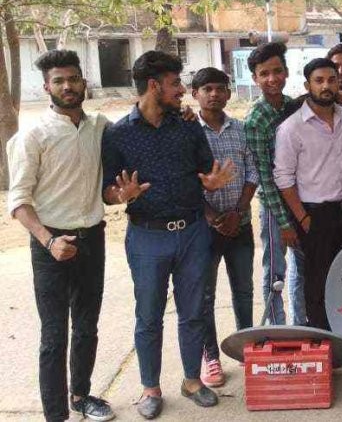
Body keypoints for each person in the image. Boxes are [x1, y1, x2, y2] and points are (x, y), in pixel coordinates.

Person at [101, 51, 234, 418]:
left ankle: (192, 381)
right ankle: (150, 389)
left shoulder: (188, 125)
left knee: (193, 312)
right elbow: (106, 191)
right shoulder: (118, 134)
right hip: (147, 237)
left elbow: (205, 171)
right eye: (175, 84)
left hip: (192, 233)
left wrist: (212, 182)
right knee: (148, 316)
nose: (182, 90)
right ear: (154, 85)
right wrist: (121, 195)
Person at [7, 50, 115, 422]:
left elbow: (138, 126)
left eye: (73, 79)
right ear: (47, 87)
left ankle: (81, 396)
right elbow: (19, 201)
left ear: (84, 82)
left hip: (92, 239)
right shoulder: (33, 135)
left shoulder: (100, 126)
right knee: (54, 336)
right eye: (59, 81)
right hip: (50, 244)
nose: (67, 86)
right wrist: (49, 241)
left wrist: (182, 113)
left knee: (86, 328)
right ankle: (55, 415)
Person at [274, 58, 342, 329]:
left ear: (339, 83)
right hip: (315, 215)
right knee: (318, 281)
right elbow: (283, 178)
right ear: (308, 86)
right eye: (319, 81)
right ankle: (322, 337)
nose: (326, 86)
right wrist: (303, 219)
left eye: (331, 80)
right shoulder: (291, 128)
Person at [191, 68, 258, 388]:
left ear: (229, 94)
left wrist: (237, 212)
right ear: (195, 94)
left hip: (239, 225)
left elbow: (252, 173)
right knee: (204, 295)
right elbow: (186, 180)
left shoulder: (241, 130)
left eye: (220, 89)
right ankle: (211, 357)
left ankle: (246, 349)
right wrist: (212, 216)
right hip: (204, 229)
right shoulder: (189, 132)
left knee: (243, 290)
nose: (214, 94)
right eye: (207, 89)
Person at [243, 42, 306, 326]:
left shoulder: (292, 107)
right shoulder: (256, 119)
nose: (272, 79)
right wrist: (284, 222)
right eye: (264, 74)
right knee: (275, 271)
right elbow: (264, 178)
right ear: (255, 78)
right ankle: (277, 327)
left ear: (286, 72)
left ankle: (302, 323)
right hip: (274, 208)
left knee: (303, 266)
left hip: (300, 200)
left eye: (277, 71)